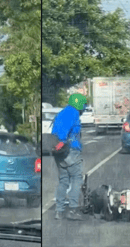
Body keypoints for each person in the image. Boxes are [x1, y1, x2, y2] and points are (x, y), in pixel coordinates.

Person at [52, 93, 87, 221]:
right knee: (76, 178)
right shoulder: (73, 114)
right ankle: (73, 209)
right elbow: (64, 134)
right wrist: (65, 142)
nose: (83, 110)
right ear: (79, 105)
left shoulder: (61, 113)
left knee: (63, 180)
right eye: (83, 106)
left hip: (58, 152)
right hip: (70, 150)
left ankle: (59, 211)